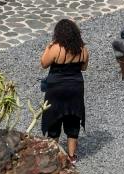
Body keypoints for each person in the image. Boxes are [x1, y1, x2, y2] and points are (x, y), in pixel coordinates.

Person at [38, 18, 90, 161]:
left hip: (56, 88)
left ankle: (53, 156)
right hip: (75, 88)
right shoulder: (82, 49)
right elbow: (84, 68)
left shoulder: (56, 48)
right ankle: (72, 156)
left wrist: (48, 47)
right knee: (73, 121)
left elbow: (43, 63)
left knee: (54, 120)